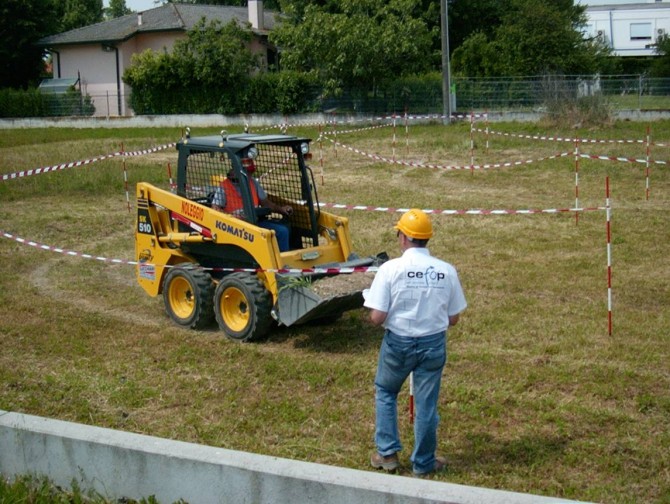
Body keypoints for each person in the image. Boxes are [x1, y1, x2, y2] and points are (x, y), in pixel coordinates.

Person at [363, 209, 467, 476]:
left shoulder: (389, 269)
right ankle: (423, 463)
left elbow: (377, 317)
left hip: (398, 343)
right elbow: (453, 318)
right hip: (433, 345)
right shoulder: (447, 271)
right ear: (427, 239)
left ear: (403, 237)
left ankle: (387, 454)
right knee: (426, 405)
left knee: (386, 393)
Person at [211, 163, 293, 252]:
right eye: (247, 173)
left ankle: (281, 261)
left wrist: (281, 209)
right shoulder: (224, 186)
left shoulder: (253, 183)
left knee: (282, 231)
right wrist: (231, 217)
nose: (249, 176)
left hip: (255, 223)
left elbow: (266, 203)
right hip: (235, 228)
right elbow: (215, 208)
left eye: (249, 173)